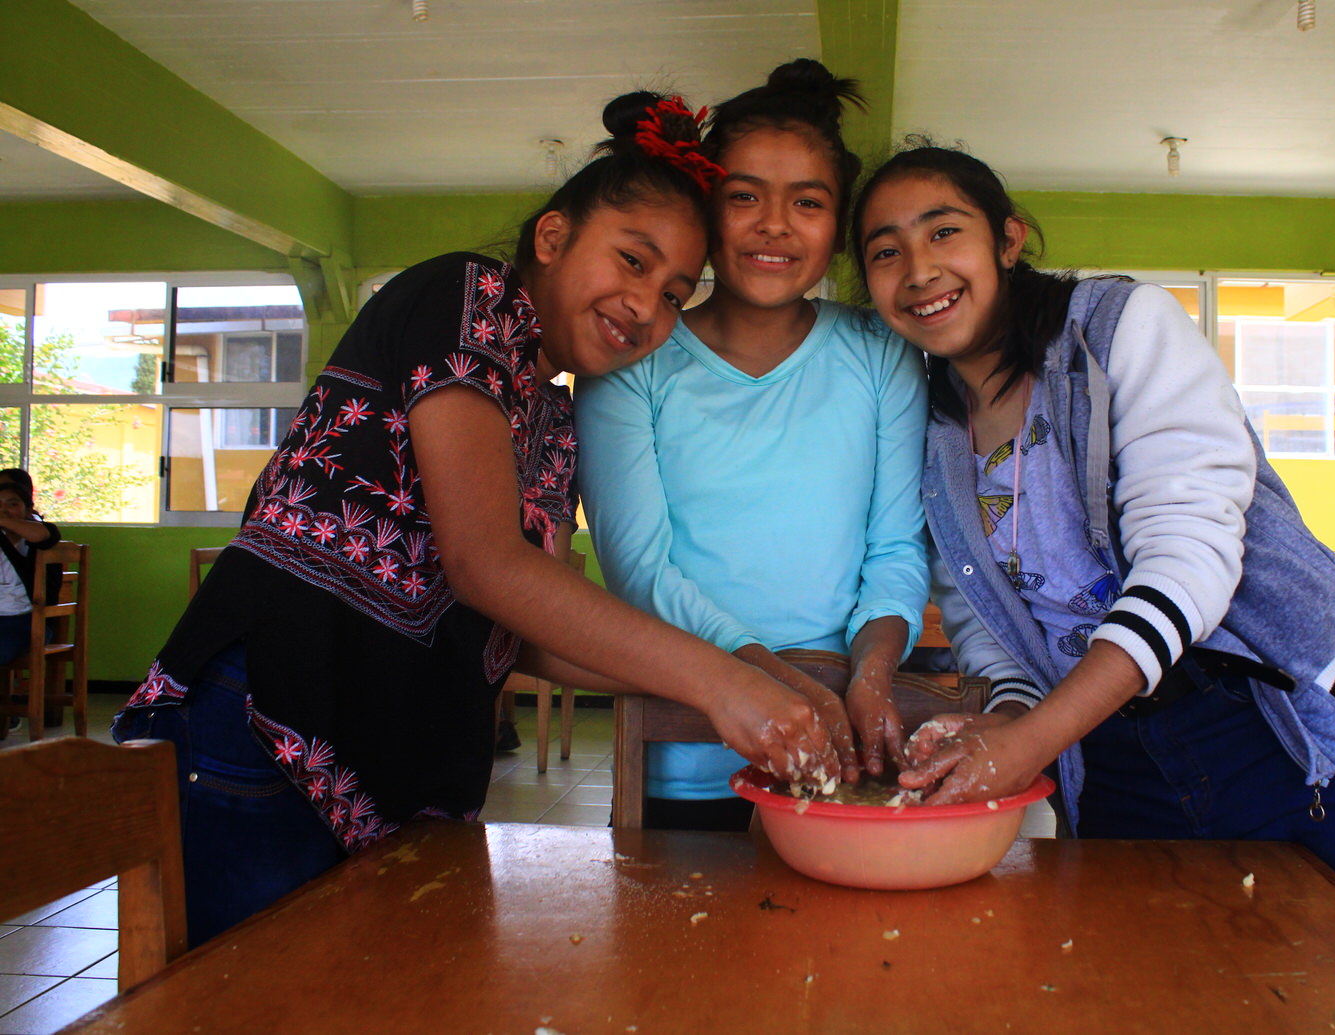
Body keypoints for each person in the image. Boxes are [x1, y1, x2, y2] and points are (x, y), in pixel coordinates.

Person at [112, 91, 836, 945]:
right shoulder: (470, 296)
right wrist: (723, 683)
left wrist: (732, 677)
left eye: (677, 293)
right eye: (633, 262)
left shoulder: (555, 421)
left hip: (393, 755)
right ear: (554, 237)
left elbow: (524, 629)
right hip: (276, 722)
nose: (649, 308)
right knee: (248, 1003)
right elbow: (488, 563)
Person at [851, 145, 1335, 936]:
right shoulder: (938, 429)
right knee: (1149, 989)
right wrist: (1011, 716)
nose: (918, 269)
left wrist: (1030, 743)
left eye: (944, 232)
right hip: (1110, 755)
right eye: (885, 252)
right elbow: (987, 617)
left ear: (1008, 241)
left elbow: (1189, 561)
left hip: (1274, 728)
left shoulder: (1120, 331)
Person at [575, 60, 929, 831]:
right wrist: (774, 683)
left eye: (807, 202)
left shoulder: (881, 353)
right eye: (744, 198)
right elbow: (640, 570)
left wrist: (868, 678)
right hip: (684, 751)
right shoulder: (633, 361)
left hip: (847, 753)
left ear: (838, 226)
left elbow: (896, 547)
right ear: (706, 210)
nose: (775, 225)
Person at [0, 479, 60, 664]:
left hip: (25, 622)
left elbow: (42, 535)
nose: (4, 509)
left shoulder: (41, 531)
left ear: (28, 510)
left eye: (13, 504)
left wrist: (3, 521)